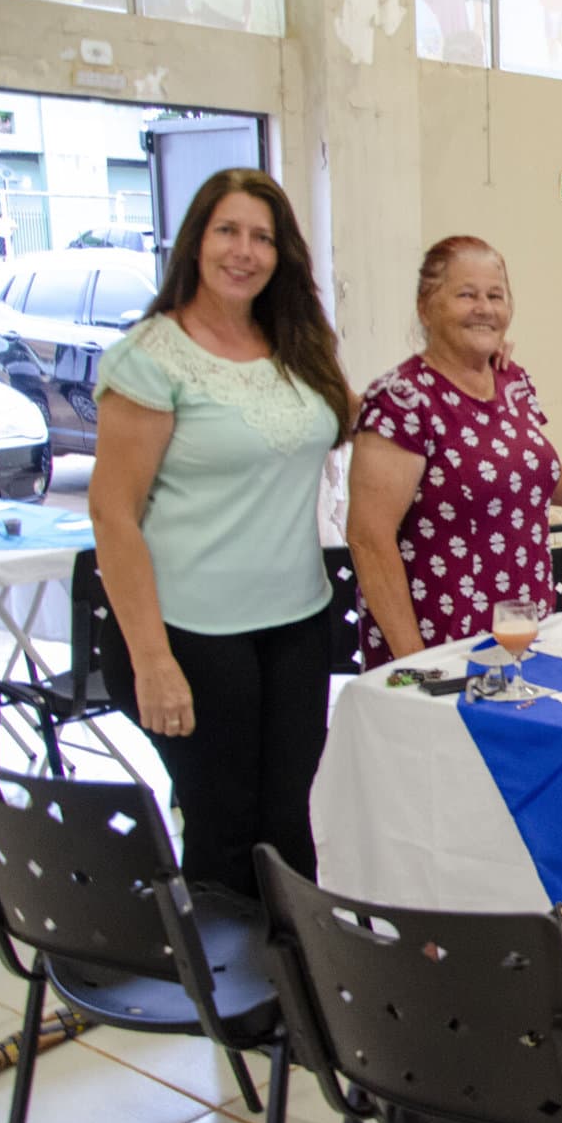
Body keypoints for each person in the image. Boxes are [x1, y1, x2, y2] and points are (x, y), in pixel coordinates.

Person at [89, 168, 349, 899]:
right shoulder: (152, 355)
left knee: (291, 824)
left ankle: (294, 994)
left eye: (262, 237)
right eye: (227, 231)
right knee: (223, 828)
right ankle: (230, 1005)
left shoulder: (294, 344)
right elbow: (112, 516)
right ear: (195, 241)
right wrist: (152, 661)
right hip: (191, 633)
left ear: (282, 253)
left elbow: (347, 420)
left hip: (296, 621)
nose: (244, 251)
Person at [348, 235, 562, 667]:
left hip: (525, 635)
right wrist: (417, 665)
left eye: (495, 295)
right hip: (441, 644)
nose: (484, 308)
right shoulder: (402, 399)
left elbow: (532, 475)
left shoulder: (513, 382)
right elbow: (369, 539)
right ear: (426, 306)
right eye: (466, 295)